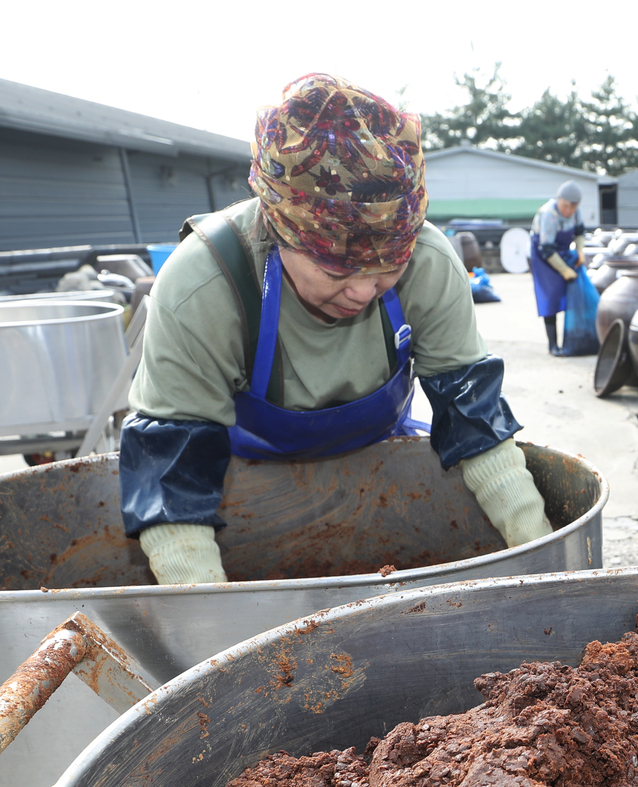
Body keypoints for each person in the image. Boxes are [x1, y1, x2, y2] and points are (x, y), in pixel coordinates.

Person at [119, 74, 552, 586]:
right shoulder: (205, 283)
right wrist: (212, 624)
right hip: (236, 500)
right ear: (278, 231)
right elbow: (173, 474)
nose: (364, 292)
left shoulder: (431, 264)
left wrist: (544, 562)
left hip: (382, 478)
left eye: (389, 266)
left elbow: (476, 425)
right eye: (338, 271)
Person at [529, 182, 588, 355]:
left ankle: (575, 338)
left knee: (574, 292)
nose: (569, 211)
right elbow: (546, 249)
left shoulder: (576, 212)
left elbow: (579, 231)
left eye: (573, 207)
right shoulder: (549, 215)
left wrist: (580, 250)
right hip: (543, 255)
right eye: (565, 206)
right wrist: (564, 271)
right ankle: (553, 345)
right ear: (559, 200)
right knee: (551, 297)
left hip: (561, 251)